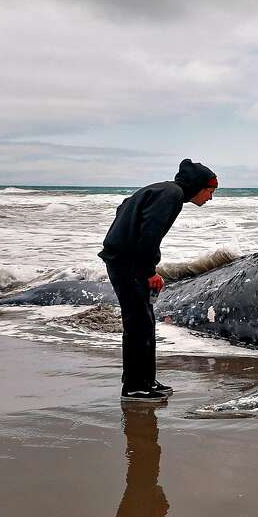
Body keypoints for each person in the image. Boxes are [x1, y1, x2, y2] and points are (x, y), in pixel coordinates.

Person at [99, 159, 218, 401]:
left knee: (144, 321)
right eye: (210, 191)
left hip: (123, 259)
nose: (210, 198)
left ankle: (144, 381)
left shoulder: (162, 190)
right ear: (198, 186)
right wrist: (149, 271)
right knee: (139, 324)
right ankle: (135, 387)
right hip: (128, 263)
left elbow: (124, 207)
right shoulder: (171, 195)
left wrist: (123, 238)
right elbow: (149, 234)